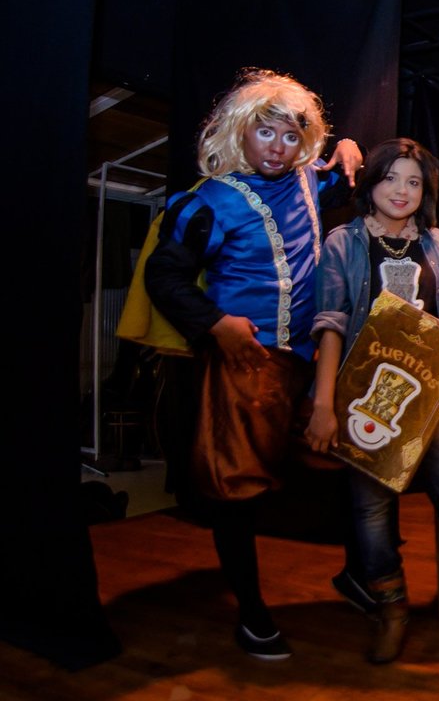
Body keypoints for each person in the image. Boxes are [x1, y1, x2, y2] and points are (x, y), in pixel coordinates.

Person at [145, 68, 361, 660]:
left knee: (355, 458)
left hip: (310, 361)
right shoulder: (209, 202)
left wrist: (349, 147)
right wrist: (216, 324)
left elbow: (344, 178)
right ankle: (251, 611)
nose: (277, 148)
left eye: (291, 137)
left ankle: (359, 574)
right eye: (266, 133)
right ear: (241, 131)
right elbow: (164, 276)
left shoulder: (309, 184)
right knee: (237, 486)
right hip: (246, 362)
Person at [305, 138, 439, 669]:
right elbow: (329, 324)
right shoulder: (343, 243)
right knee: (371, 512)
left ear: (426, 191)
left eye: (414, 182)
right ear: (371, 183)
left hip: (433, 393)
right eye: (391, 178)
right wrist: (323, 405)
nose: (402, 191)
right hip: (365, 396)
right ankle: (392, 612)